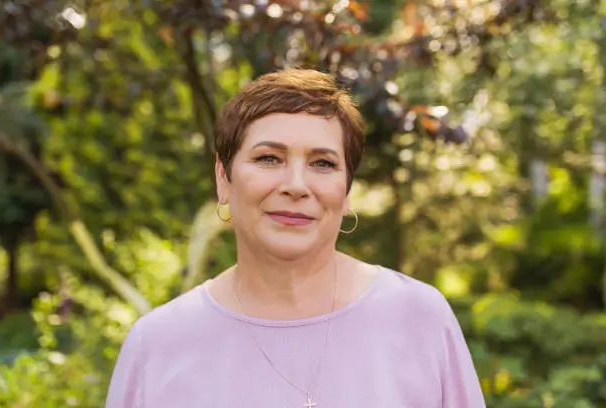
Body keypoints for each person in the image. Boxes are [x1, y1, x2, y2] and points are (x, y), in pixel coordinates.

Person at [105, 68, 486, 408]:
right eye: (269, 158)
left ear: (346, 189)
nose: (296, 186)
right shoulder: (157, 345)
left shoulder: (418, 318)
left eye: (323, 163)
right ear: (224, 178)